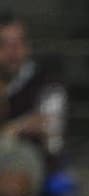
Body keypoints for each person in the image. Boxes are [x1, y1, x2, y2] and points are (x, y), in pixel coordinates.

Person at [0, 10, 68, 167]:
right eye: (3, 45)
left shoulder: (46, 85)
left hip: (27, 162)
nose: (13, 52)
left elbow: (53, 142)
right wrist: (17, 128)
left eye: (20, 43)